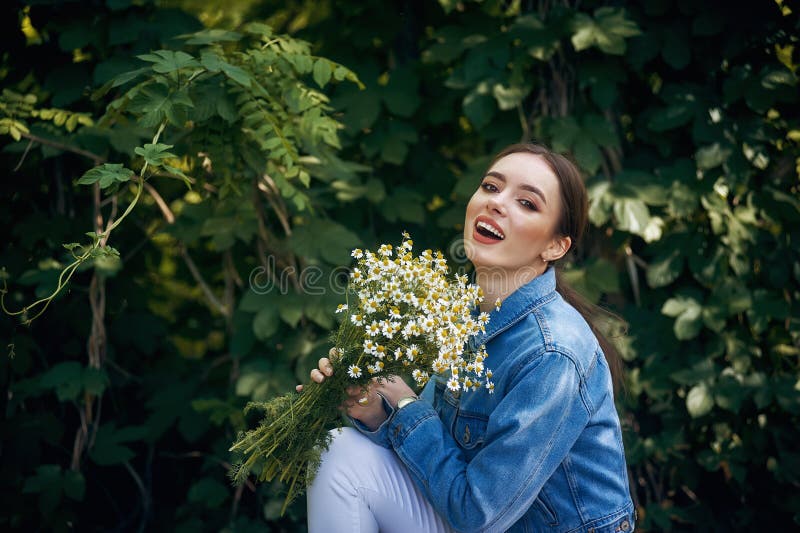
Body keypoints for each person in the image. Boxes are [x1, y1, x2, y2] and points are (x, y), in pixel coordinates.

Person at [297, 143, 636, 532]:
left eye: (527, 203)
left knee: (344, 456)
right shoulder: (466, 317)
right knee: (340, 451)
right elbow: (437, 460)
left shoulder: (554, 353)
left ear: (554, 246)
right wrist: (376, 411)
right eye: (491, 187)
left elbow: (478, 514)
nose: (497, 203)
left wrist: (406, 404)